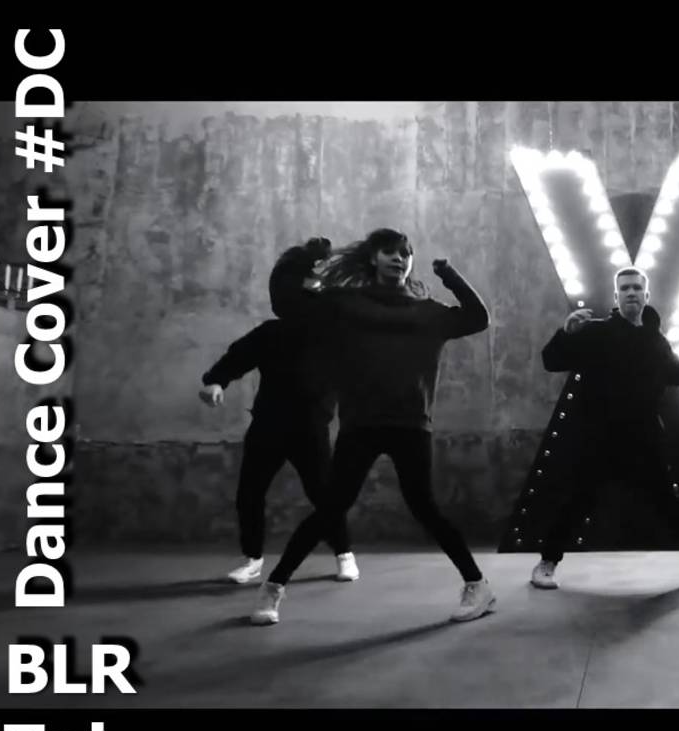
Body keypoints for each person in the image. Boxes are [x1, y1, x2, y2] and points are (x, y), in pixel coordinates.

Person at [249, 228, 495, 625]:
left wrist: (450, 275)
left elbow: (478, 318)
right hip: (362, 423)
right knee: (331, 507)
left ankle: (477, 585)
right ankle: (273, 588)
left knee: (424, 507)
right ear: (372, 258)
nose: (399, 259)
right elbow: (287, 301)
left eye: (405, 253)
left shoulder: (427, 313)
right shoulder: (346, 305)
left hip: (411, 424)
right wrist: (304, 259)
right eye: (389, 252)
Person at [528, 266, 679, 590]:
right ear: (616, 297)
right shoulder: (595, 332)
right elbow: (551, 361)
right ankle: (546, 563)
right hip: (599, 436)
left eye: (636, 288)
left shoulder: (655, 341)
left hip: (644, 436)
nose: (631, 292)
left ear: (646, 295)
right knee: (578, 500)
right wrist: (566, 333)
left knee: (667, 500)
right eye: (625, 288)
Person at [200, 237, 357, 585]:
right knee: (249, 493)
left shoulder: (334, 333)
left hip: (311, 427)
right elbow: (236, 357)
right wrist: (216, 382)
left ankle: (344, 554)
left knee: (324, 495)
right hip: (268, 425)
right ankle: (252, 559)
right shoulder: (271, 333)